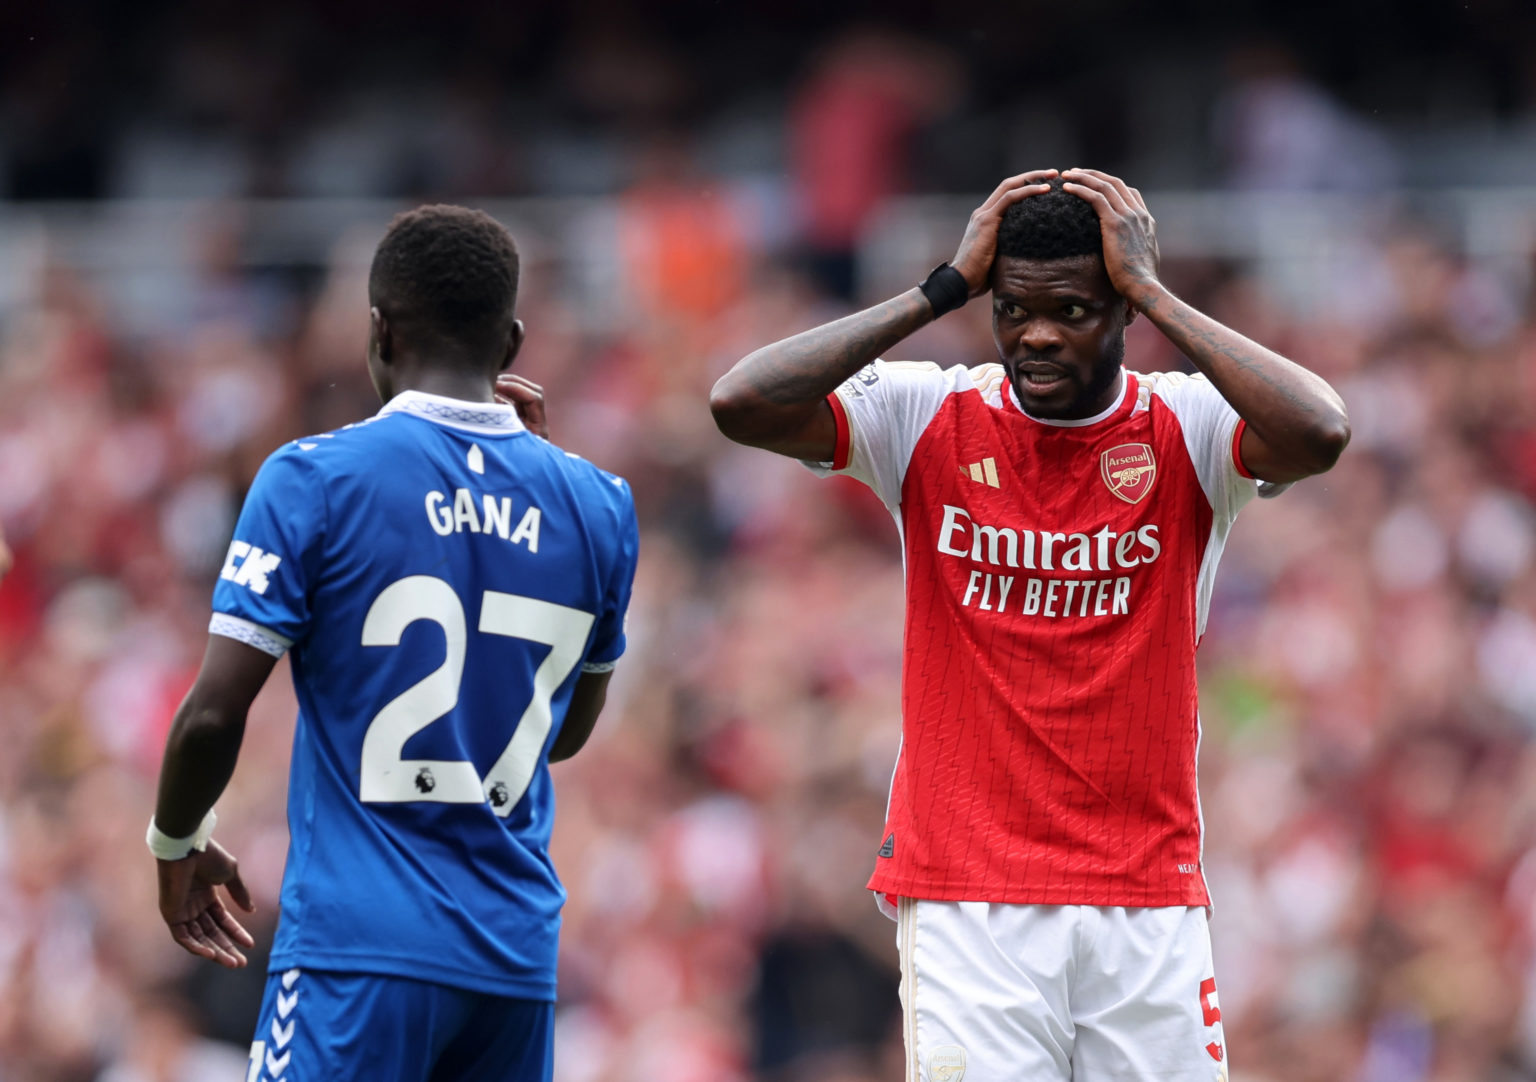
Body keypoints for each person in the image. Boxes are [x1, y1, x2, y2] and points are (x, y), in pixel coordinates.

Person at [710, 169, 1349, 1081]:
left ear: (1123, 312)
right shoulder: (928, 414)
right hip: (970, 898)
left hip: (1146, 895)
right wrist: (941, 289)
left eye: (1076, 310)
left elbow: (1321, 429)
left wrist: (1157, 292)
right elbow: (742, 403)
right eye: (1013, 310)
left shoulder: (1190, 427)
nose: (1038, 334)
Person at [147, 205, 639, 1082]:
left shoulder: (312, 478)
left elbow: (212, 715)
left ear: (377, 327)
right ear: (513, 340)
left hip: (356, 953)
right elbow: (558, 734)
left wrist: (176, 844)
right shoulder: (599, 505)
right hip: (513, 963)